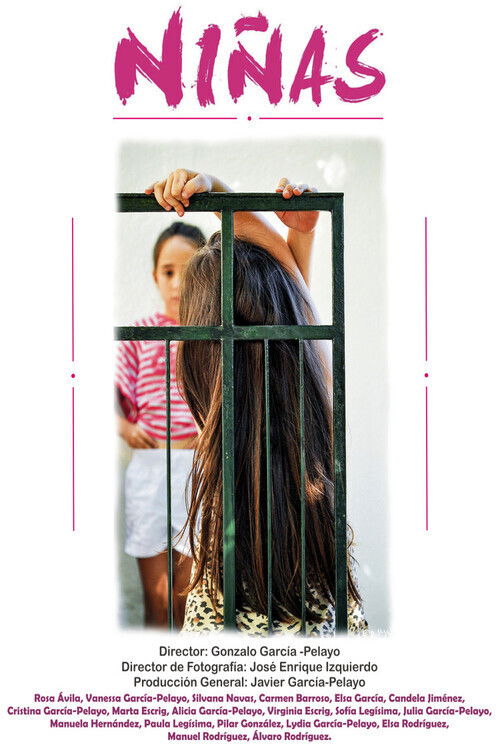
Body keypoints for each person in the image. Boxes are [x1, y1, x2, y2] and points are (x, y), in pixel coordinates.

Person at [146, 169, 368, 635]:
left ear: (200, 354)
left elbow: (291, 313)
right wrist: (216, 190)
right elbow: (294, 317)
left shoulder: (217, 426)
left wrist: (216, 190)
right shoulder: (315, 407)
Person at [116, 221, 205, 628]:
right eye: (168, 272)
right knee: (157, 599)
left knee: (188, 597)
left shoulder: (212, 336)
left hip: (197, 470)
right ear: (155, 276)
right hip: (150, 468)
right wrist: (124, 428)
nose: (177, 283)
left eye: (188, 272)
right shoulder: (138, 334)